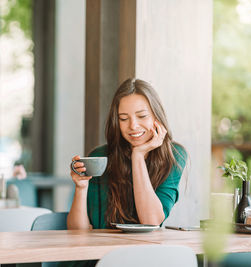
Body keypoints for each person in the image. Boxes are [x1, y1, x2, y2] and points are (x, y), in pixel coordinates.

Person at [68, 78, 187, 232]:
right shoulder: (100, 157)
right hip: (102, 252)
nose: (133, 126)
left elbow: (151, 221)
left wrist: (137, 155)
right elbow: (77, 232)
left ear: (156, 117)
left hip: (147, 252)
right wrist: (81, 188)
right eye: (123, 118)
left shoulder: (174, 155)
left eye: (142, 116)